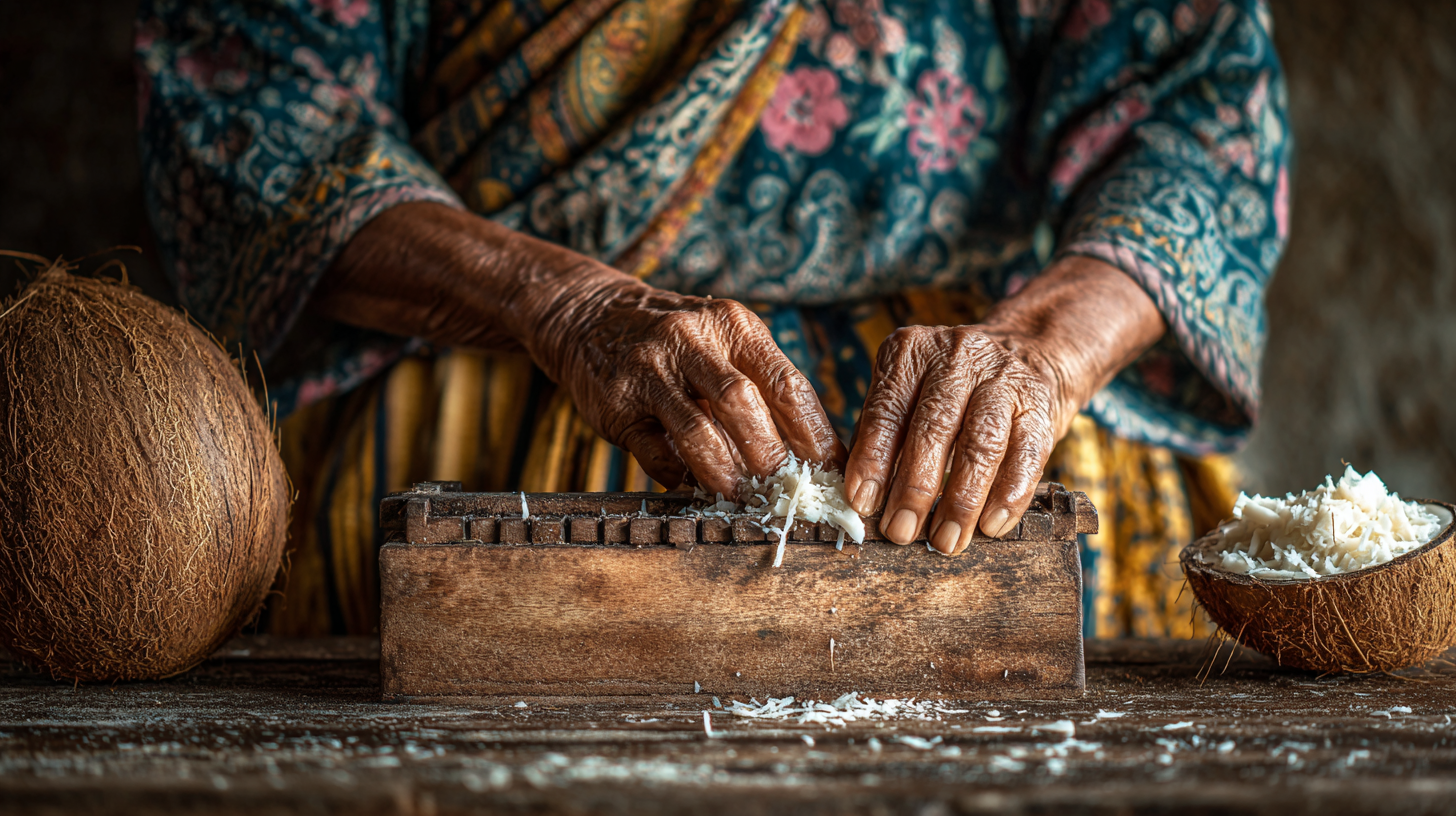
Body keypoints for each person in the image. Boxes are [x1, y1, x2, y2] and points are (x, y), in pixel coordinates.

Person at [136, 0, 1289, 637]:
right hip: (490, 371)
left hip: (975, 431)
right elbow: (250, 103)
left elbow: (1200, 108)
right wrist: (564, 301)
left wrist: (1043, 347)